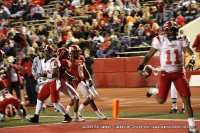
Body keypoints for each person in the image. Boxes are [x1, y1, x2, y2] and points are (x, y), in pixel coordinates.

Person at [137, 21, 198, 133]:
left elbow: (191, 52)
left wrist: (192, 60)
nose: (172, 32)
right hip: (166, 73)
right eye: (169, 30)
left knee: (186, 98)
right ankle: (154, 90)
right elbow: (148, 55)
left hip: (179, 74)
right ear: (165, 31)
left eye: (173, 29)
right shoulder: (160, 40)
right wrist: (140, 67)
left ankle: (192, 126)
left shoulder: (182, 39)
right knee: (161, 100)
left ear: (176, 29)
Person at [27, 45, 72, 123]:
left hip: (54, 82)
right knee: (39, 98)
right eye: (44, 51)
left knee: (55, 102)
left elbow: (55, 74)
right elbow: (47, 74)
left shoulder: (54, 61)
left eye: (46, 51)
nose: (44, 53)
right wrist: (43, 78)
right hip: (49, 82)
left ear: (51, 53)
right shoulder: (44, 61)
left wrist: (42, 75)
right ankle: (36, 117)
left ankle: (67, 117)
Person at [68, 45, 107, 120]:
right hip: (77, 81)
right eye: (76, 52)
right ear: (72, 53)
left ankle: (80, 108)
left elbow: (85, 70)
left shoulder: (81, 58)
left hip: (83, 79)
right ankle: (98, 114)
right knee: (91, 96)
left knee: (95, 95)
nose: (78, 53)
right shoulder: (69, 62)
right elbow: (66, 74)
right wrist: (71, 80)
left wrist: (89, 79)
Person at [57, 47, 85, 122]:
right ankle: (74, 117)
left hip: (59, 82)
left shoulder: (59, 60)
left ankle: (67, 115)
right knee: (76, 97)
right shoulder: (64, 61)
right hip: (62, 82)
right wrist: (72, 77)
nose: (68, 55)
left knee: (54, 101)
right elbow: (64, 72)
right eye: (67, 53)